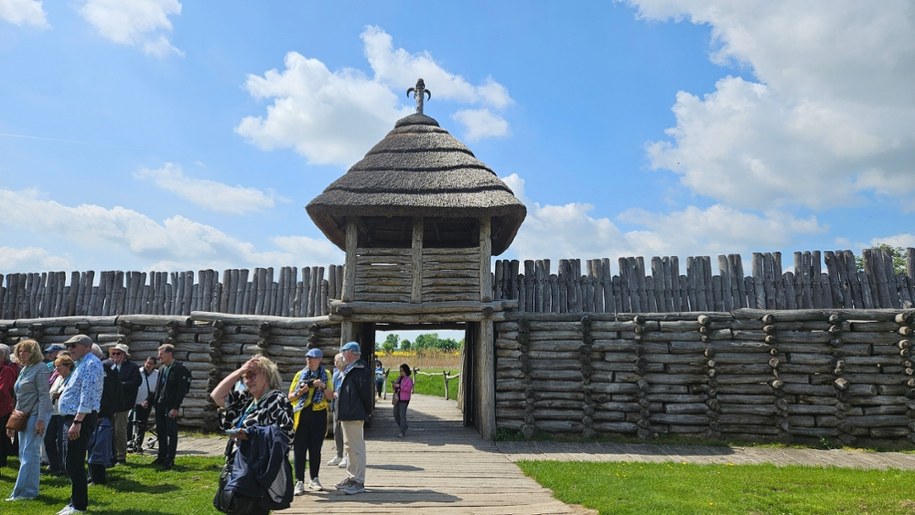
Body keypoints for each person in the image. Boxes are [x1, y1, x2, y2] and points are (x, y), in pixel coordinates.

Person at [210, 355, 294, 514]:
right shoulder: (246, 399)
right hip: (240, 466)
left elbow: (286, 436)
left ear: (267, 374)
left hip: (258, 470)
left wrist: (250, 434)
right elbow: (216, 396)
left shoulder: (277, 400)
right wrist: (240, 371)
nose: (248, 380)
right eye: (245, 377)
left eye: (253, 374)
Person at [56, 334, 104, 515]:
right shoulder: (82, 363)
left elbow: (87, 394)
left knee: (74, 462)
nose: (70, 349)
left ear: (86, 346)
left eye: (74, 346)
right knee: (70, 462)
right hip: (73, 417)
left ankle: (79, 505)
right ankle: (74, 501)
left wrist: (77, 421)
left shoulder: (92, 364)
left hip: (79, 418)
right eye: (69, 346)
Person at [5, 339, 51, 501]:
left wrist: (40, 420)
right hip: (23, 415)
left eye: (26, 351)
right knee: (23, 453)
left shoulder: (41, 368)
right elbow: (19, 396)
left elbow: (44, 396)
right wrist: (12, 420)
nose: (22, 354)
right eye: (20, 351)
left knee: (30, 454)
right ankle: (28, 490)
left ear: (34, 353)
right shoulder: (25, 369)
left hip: (35, 415)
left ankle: (25, 492)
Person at [289, 347, 333, 495]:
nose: (308, 360)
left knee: (315, 449)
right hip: (302, 415)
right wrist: (301, 391)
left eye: (312, 358)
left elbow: (331, 396)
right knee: (299, 449)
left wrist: (323, 385)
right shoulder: (300, 375)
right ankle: (299, 481)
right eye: (307, 358)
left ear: (319, 360)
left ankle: (314, 478)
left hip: (318, 414)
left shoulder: (326, 374)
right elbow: (290, 396)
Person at [334, 341, 372, 495]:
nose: (342, 354)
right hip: (347, 414)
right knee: (349, 447)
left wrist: (367, 410)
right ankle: (351, 477)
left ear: (350, 352)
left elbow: (365, 393)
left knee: (356, 448)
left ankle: (358, 481)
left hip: (354, 413)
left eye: (343, 351)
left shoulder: (360, 368)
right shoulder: (351, 368)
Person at [152, 343, 191, 470]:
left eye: (161, 354)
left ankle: (170, 458)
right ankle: (161, 456)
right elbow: (159, 387)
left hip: (171, 405)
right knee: (161, 431)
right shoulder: (163, 368)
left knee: (171, 432)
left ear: (169, 354)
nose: (159, 357)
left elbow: (182, 390)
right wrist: (153, 401)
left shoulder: (179, 369)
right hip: (160, 404)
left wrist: (175, 407)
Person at [87, 356, 122, 484]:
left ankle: (98, 478)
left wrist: (102, 411)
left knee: (98, 446)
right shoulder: (107, 367)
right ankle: (93, 475)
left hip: (102, 414)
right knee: (93, 446)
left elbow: (107, 393)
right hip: (102, 413)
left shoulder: (105, 368)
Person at [108, 343, 140, 465]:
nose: (115, 356)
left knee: (119, 431)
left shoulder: (132, 367)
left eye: (118, 353)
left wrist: (120, 385)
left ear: (124, 355)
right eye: (113, 353)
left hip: (123, 403)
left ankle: (121, 456)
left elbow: (136, 382)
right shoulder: (110, 365)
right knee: (110, 430)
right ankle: (112, 455)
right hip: (111, 404)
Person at [45, 353, 74, 477]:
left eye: (59, 366)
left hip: (64, 413)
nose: (56, 369)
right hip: (53, 412)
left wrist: (60, 395)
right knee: (48, 439)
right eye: (56, 367)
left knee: (62, 441)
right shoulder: (58, 377)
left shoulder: (72, 377)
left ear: (67, 366)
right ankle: (54, 464)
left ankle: (63, 467)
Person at [128, 356, 158, 453]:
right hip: (134, 402)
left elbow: (156, 390)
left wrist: (148, 401)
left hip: (146, 403)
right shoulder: (138, 372)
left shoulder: (157, 374)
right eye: (147, 363)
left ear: (154, 365)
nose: (148, 365)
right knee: (130, 423)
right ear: (144, 362)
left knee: (142, 424)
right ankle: (129, 443)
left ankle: (138, 444)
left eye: (151, 364)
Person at [326, 353, 347, 469]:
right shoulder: (335, 375)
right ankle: (338, 455)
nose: (335, 364)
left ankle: (346, 456)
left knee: (345, 432)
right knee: (336, 431)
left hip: (345, 407)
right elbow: (332, 389)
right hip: (336, 406)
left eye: (337, 361)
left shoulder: (347, 373)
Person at [0, 344, 20, 469]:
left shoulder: (7, 370)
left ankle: (2, 462)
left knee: (1, 437)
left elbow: (3, 390)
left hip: (3, 408)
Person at [392, 363, 414, 438]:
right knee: (395, 414)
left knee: (402, 415)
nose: (401, 372)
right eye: (400, 371)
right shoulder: (399, 378)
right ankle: (404, 426)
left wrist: (400, 386)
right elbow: (395, 388)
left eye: (402, 371)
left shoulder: (409, 379)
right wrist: (394, 386)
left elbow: (408, 389)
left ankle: (402, 431)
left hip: (404, 399)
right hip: (397, 398)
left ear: (406, 371)